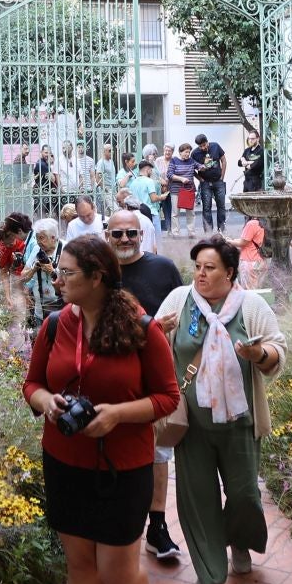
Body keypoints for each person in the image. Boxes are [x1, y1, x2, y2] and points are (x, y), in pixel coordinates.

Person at [22, 236, 181, 584]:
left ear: (97, 277)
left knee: (115, 572)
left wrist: (116, 415)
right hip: (65, 462)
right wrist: (47, 402)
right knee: (80, 566)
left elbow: (168, 397)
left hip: (123, 468)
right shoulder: (53, 325)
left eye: (67, 272)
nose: (57, 278)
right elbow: (32, 383)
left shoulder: (140, 328)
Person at [153, 237, 287, 584]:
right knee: (198, 500)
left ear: (229, 272)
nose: (200, 273)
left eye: (208, 268)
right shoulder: (180, 301)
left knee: (244, 495)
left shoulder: (251, 306)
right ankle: (209, 574)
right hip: (191, 425)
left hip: (239, 424)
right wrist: (157, 335)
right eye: (197, 266)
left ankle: (239, 541)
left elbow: (278, 351)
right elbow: (149, 342)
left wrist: (258, 353)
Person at [106, 208, 186, 562]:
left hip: (153, 374)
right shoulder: (100, 274)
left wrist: (166, 332)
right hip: (110, 375)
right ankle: (118, 525)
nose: (125, 240)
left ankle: (157, 526)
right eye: (118, 234)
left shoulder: (163, 268)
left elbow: (186, 308)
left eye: (131, 234)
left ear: (142, 235)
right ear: (107, 236)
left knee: (158, 453)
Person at [18, 219, 65, 326]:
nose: (39, 242)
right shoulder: (36, 249)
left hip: (61, 309)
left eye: (42, 238)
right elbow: (23, 277)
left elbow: (73, 280)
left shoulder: (66, 249)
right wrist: (34, 268)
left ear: (53, 238)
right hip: (40, 310)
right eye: (37, 238)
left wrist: (52, 271)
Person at [193, 133, 228, 233]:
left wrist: (222, 177)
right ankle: (208, 231)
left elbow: (224, 160)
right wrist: (200, 179)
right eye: (200, 146)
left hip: (218, 181)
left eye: (204, 145)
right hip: (205, 183)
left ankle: (221, 229)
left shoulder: (215, 146)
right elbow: (191, 168)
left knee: (221, 206)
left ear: (207, 142)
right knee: (206, 207)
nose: (203, 148)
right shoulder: (195, 153)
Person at [169, 143, 199, 237]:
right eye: (186, 152)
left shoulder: (191, 161)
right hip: (176, 191)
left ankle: (191, 233)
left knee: (191, 212)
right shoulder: (174, 160)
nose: (187, 154)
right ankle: (176, 233)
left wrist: (206, 165)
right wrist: (181, 179)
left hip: (189, 190)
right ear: (180, 152)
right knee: (175, 213)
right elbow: (169, 174)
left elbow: (200, 167)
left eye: (189, 152)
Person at [237, 216, 268, 291]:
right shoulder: (264, 223)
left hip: (249, 261)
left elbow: (243, 242)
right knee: (258, 290)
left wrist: (228, 241)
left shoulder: (251, 224)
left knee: (249, 293)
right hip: (261, 261)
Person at [33, 146, 61, 218]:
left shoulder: (44, 163)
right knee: (42, 215)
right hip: (42, 193)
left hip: (45, 192)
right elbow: (53, 179)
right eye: (45, 152)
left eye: (49, 153)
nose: (47, 155)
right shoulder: (41, 164)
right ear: (41, 152)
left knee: (45, 214)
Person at [155, 144, 176, 232]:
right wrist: (162, 182)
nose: (167, 152)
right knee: (161, 209)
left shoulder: (175, 160)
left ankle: (171, 229)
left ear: (172, 152)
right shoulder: (158, 160)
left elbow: (176, 173)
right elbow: (155, 173)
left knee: (171, 210)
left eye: (169, 151)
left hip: (172, 188)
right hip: (160, 188)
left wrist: (167, 184)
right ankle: (162, 229)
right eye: (166, 150)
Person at [95, 144, 118, 212]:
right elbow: (98, 177)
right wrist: (104, 188)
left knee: (111, 211)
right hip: (106, 190)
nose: (112, 152)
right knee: (115, 209)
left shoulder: (111, 161)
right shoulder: (101, 162)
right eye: (110, 151)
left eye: (112, 150)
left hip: (113, 189)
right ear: (104, 152)